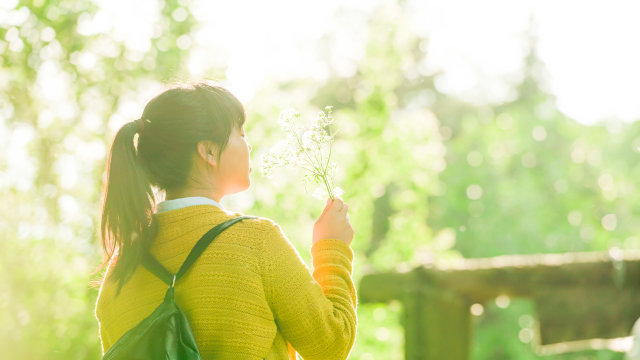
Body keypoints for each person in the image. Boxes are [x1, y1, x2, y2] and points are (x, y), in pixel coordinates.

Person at [93, 82, 357, 360]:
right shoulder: (257, 242)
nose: (249, 144)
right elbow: (331, 345)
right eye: (240, 134)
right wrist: (332, 247)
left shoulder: (120, 271)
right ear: (208, 151)